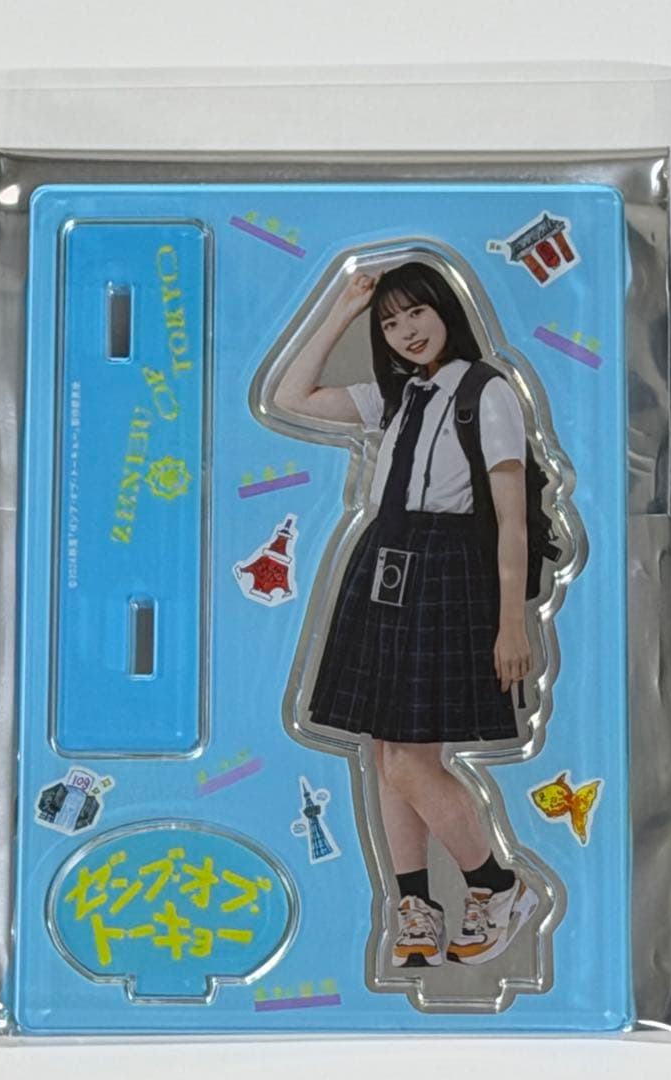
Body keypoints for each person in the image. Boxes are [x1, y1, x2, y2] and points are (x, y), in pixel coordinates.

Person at [274, 261, 538, 968]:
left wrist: (512, 622)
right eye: (390, 323)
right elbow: (290, 395)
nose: (406, 331)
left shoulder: (486, 393)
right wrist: (343, 307)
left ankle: (498, 885)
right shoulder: (394, 397)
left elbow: (511, 519)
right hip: (383, 563)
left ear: (446, 308)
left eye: (416, 312)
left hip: (447, 568)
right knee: (386, 754)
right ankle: (414, 905)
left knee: (414, 764)